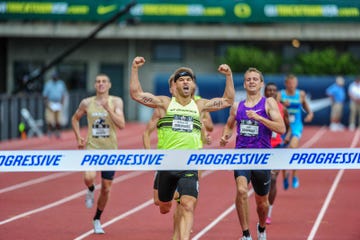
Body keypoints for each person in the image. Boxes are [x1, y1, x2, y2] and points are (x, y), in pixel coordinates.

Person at [131, 56, 234, 240]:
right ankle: (170, 197)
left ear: (193, 86)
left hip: (190, 164)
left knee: (187, 204)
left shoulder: (200, 105)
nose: (186, 82)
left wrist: (229, 75)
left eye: (189, 80)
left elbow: (227, 100)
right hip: (167, 164)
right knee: (163, 206)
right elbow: (136, 94)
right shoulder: (164, 103)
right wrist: (134, 68)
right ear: (174, 86)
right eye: (181, 79)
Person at [220, 67, 285, 240]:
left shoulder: (268, 103)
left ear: (261, 83)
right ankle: (246, 234)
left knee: (262, 203)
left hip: (262, 158)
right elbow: (229, 125)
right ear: (244, 83)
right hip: (241, 156)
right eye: (248, 79)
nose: (251, 82)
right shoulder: (237, 106)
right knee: (241, 190)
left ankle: (261, 228)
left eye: (255, 79)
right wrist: (226, 136)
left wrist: (260, 118)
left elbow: (281, 128)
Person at [71, 74, 125, 234]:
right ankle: (91, 188)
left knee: (107, 189)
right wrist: (78, 137)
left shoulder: (116, 101)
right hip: (92, 148)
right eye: (98, 82)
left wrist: (108, 109)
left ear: (109, 85)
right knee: (88, 177)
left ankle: (97, 219)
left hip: (110, 150)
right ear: (95, 85)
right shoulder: (87, 103)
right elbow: (74, 119)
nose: (101, 84)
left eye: (104, 82)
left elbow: (122, 124)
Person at [277, 74, 313, 190]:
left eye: (294, 83)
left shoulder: (300, 94)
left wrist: (310, 114)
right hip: (284, 126)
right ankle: (284, 176)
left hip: (296, 126)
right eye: (290, 83)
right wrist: (282, 103)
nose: (292, 85)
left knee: (292, 148)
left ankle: (295, 175)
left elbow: (307, 107)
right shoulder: (280, 94)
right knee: (282, 152)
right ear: (286, 84)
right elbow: (274, 107)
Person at [263, 82, 290, 225]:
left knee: (273, 179)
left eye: (274, 90)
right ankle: (262, 205)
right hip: (262, 148)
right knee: (262, 181)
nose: (271, 92)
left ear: (276, 93)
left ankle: (269, 211)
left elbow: (288, 127)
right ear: (265, 92)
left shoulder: (282, 109)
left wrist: (287, 136)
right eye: (268, 90)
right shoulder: (260, 107)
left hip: (278, 147)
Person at [42, 71, 67, 138]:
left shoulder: (61, 84)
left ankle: (57, 131)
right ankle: (50, 131)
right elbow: (45, 95)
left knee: (58, 120)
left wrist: (62, 102)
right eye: (53, 76)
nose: (55, 77)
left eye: (56, 76)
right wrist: (47, 103)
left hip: (58, 103)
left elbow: (63, 94)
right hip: (51, 103)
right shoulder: (48, 84)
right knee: (49, 119)